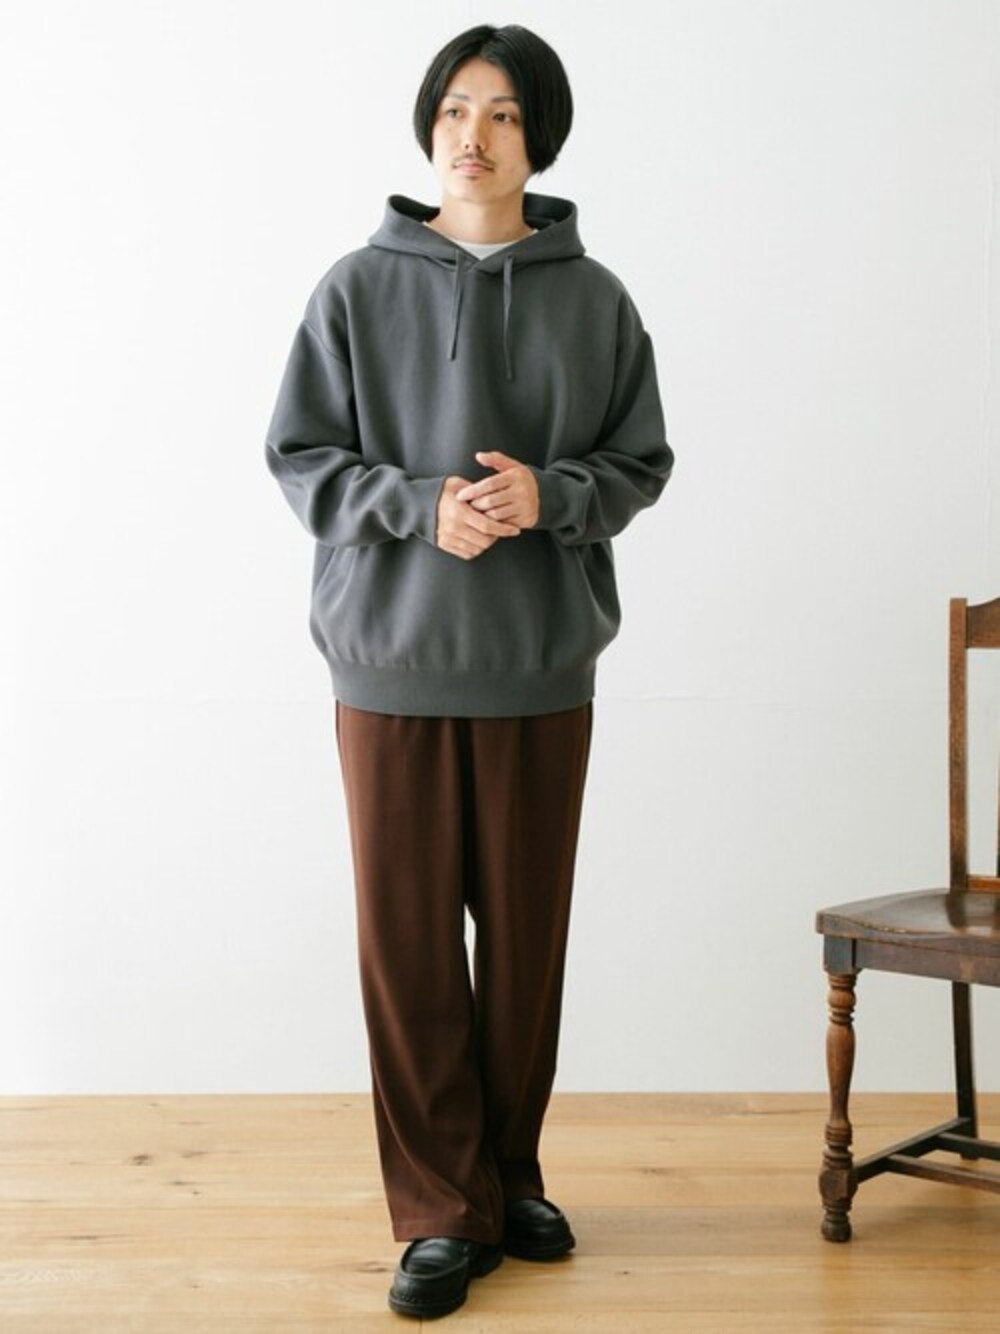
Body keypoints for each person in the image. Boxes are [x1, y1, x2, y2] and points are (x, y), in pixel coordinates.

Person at [265, 22, 673, 1321]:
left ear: (538, 136)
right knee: (409, 951)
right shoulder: (354, 289)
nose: (472, 135)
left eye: (501, 113)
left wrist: (554, 495)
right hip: (388, 661)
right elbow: (301, 458)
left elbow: (640, 462)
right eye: (453, 109)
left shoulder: (595, 299)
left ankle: (507, 1173)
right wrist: (413, 504)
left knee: (526, 946)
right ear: (427, 127)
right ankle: (442, 1207)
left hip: (540, 665)